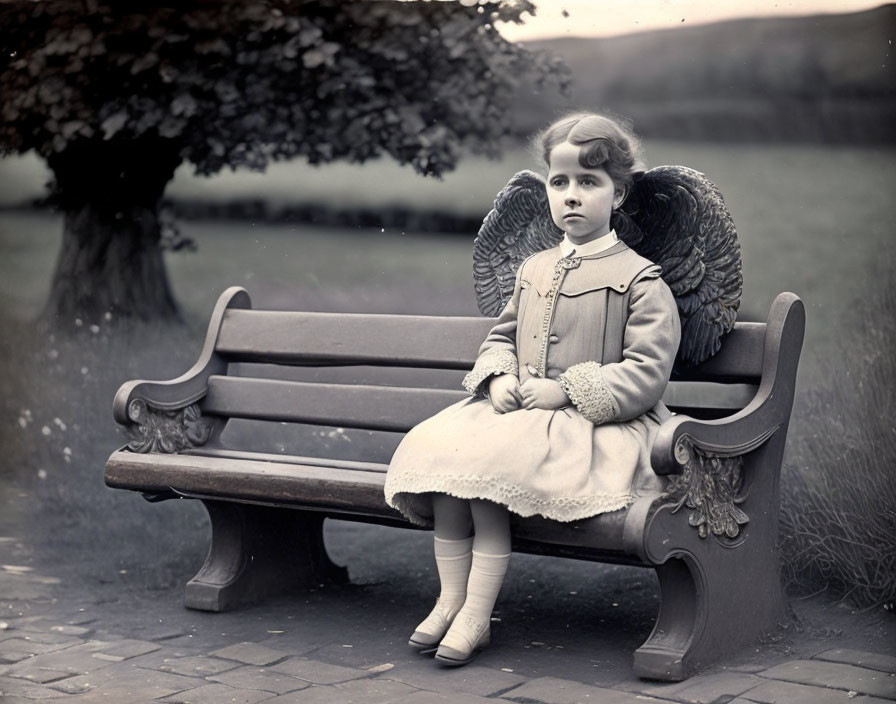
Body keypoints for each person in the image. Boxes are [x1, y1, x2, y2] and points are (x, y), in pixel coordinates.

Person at [383, 112, 682, 666]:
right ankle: (450, 599)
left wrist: (568, 390)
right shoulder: (535, 269)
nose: (571, 195)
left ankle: (478, 612)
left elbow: (646, 370)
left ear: (617, 195)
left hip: (595, 427)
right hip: (521, 410)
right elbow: (502, 335)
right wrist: (499, 377)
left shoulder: (641, 280)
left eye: (589, 183)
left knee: (488, 475)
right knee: (450, 467)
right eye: (559, 182)